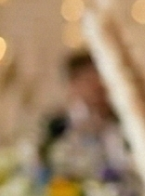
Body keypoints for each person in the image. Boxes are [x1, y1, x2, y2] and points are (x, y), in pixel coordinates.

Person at [37, 51, 127, 182]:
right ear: (72, 86)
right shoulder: (56, 127)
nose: (96, 87)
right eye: (88, 80)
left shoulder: (123, 121)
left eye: (100, 78)